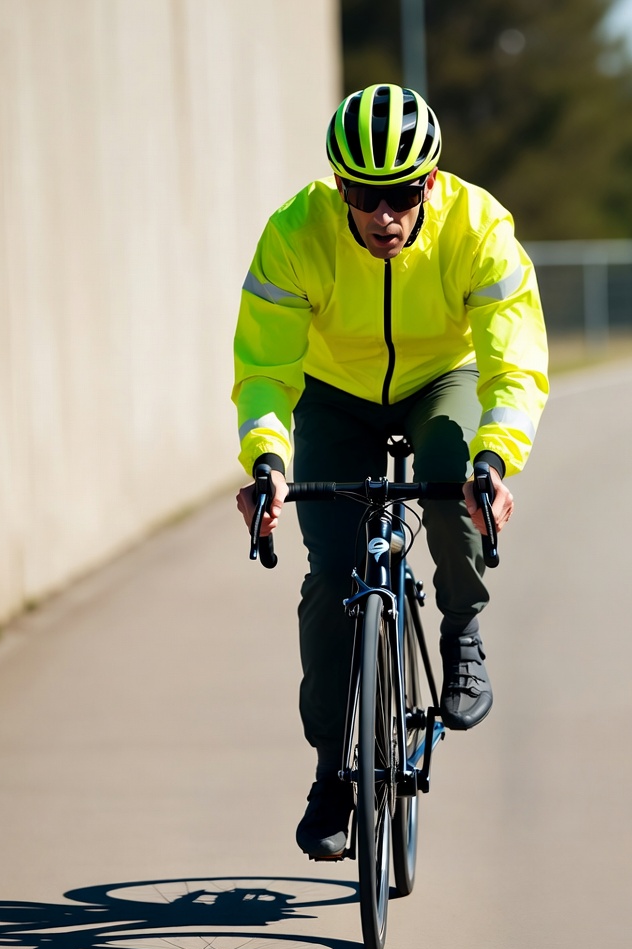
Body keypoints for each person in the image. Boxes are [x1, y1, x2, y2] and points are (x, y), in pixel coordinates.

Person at [233, 83, 549, 859]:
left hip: (440, 378)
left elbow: (514, 363)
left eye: (402, 196)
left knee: (451, 473)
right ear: (340, 187)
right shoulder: (293, 233)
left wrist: (496, 459)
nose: (385, 216)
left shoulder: (479, 227)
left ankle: (462, 627)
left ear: (430, 184)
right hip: (334, 395)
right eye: (367, 197)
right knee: (331, 574)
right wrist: (267, 460)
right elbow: (265, 369)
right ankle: (331, 772)